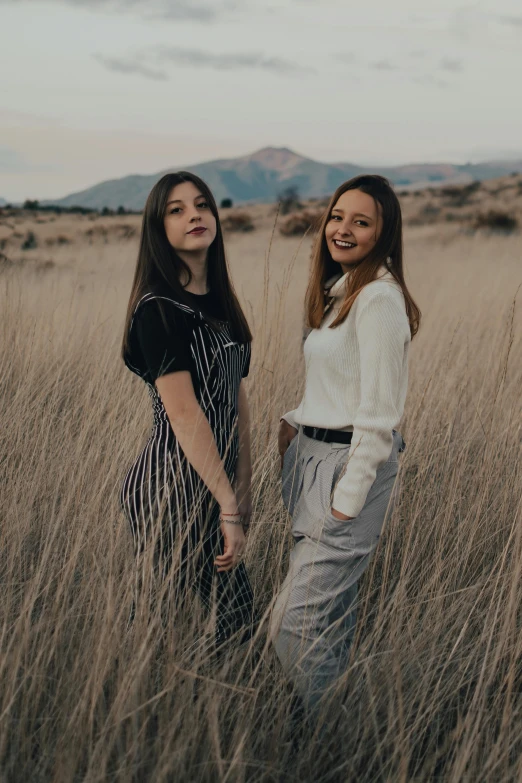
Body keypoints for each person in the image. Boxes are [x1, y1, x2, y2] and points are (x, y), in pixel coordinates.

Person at [270, 174, 421, 721]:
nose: (343, 229)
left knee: (292, 624)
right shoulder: (339, 293)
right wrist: (294, 422)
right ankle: (320, 738)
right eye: (337, 216)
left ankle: (328, 729)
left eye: (361, 221)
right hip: (310, 462)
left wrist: (347, 500)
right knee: (326, 624)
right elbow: (340, 385)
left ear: (383, 233)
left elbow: (380, 414)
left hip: (346, 473)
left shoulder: (379, 298)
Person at [120, 171, 257, 650]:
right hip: (170, 488)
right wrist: (227, 505)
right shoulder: (158, 310)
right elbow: (184, 414)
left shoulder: (221, 304)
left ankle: (199, 704)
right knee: (166, 617)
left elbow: (237, 405)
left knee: (230, 619)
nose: (194, 215)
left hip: (214, 484)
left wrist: (241, 488)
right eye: (176, 210)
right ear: (159, 231)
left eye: (201, 204)